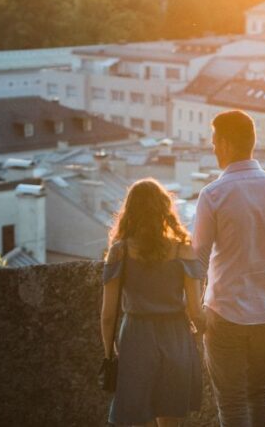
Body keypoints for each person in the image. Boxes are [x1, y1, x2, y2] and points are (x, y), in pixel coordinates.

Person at [193, 110, 265, 427]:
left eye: (214, 142)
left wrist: (195, 311)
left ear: (226, 144)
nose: (213, 148)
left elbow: (197, 261)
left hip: (224, 310)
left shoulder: (213, 195)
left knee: (232, 404)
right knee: (261, 395)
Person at [100, 178, 206, 427]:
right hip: (176, 336)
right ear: (165, 209)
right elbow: (196, 311)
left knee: (138, 417)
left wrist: (109, 352)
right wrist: (197, 338)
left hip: (136, 337)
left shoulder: (119, 252)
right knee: (170, 418)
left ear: (130, 211)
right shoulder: (182, 250)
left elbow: (108, 315)